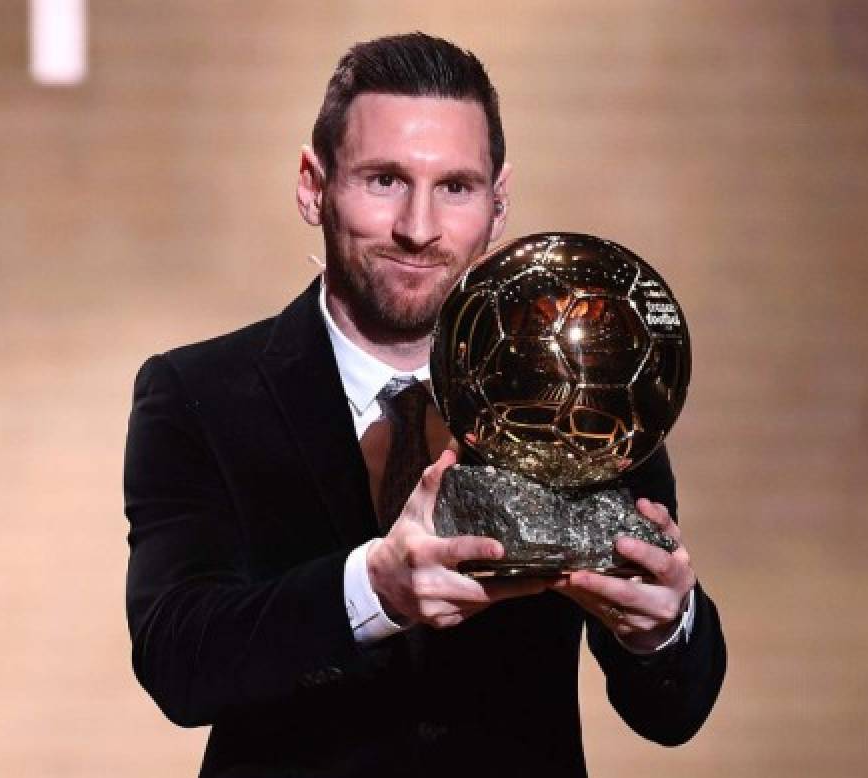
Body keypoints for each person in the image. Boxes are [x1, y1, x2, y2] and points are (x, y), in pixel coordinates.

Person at [123, 32, 725, 777]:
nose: (418, 227)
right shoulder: (196, 393)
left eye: (456, 188)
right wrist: (374, 589)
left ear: (498, 204)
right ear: (314, 185)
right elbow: (178, 661)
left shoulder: (586, 397)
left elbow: (673, 714)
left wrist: (665, 629)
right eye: (384, 180)